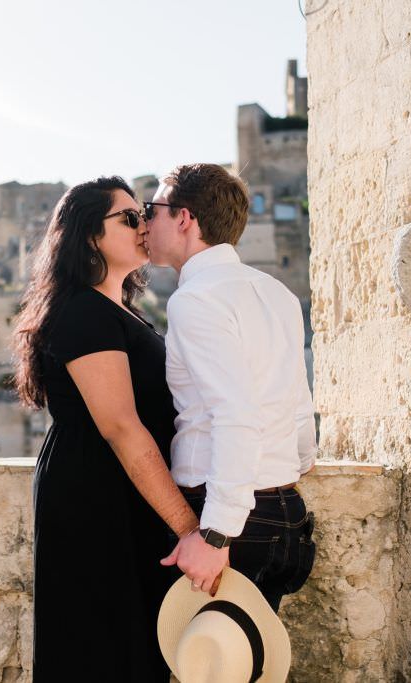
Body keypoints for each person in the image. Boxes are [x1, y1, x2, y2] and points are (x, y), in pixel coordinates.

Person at [12, 176, 200, 681]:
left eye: (144, 214)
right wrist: (190, 528)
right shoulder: (82, 312)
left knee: (133, 645)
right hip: (97, 492)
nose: (144, 225)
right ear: (89, 235)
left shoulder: (120, 313)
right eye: (128, 217)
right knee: (102, 647)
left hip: (125, 491)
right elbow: (120, 426)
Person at [144, 163, 318, 613]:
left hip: (227, 521)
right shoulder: (275, 291)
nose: (146, 221)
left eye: (153, 209)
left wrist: (216, 533)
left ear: (184, 218)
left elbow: (235, 415)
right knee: (248, 661)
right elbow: (299, 401)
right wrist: (291, 463)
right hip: (283, 509)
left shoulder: (196, 299)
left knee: (206, 661)